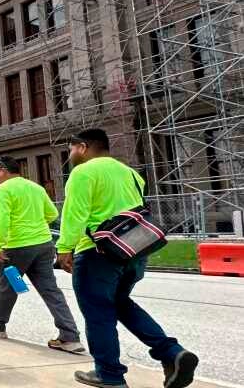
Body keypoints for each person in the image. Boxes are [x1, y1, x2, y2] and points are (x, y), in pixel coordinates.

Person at [58, 129, 199, 388]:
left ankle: (108, 374)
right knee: (120, 303)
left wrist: (65, 248)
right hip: (133, 252)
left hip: (98, 253)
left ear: (83, 147)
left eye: (71, 149)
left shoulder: (83, 172)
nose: (70, 155)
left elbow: (76, 213)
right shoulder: (131, 174)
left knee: (98, 312)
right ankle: (172, 353)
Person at [0, 156, 84, 354]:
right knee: (50, 290)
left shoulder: (3, 190)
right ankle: (70, 337)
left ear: (3, 170)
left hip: (16, 249)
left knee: (7, 287)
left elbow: (3, 220)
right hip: (43, 246)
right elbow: (52, 215)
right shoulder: (36, 188)